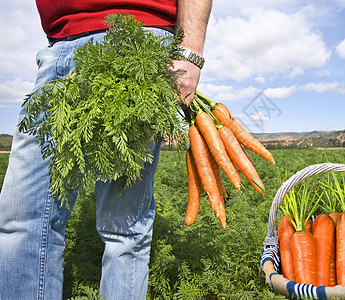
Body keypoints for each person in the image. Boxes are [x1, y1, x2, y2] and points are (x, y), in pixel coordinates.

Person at [0, 0, 212, 299]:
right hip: (59, 46)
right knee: (22, 219)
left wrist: (189, 52)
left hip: (140, 40)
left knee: (124, 228)